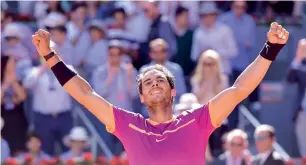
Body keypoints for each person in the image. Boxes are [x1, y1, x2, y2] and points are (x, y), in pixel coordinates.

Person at [31, 22, 289, 165]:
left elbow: (239, 89)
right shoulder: (128, 125)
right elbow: (84, 94)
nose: (154, 83)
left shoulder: (197, 121)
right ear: (141, 96)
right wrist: (49, 56)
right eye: (148, 82)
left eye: (160, 80)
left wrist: (271, 49)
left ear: (173, 90)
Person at [286, 38, 306, 158]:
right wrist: (298, 57)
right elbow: (290, 79)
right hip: (303, 111)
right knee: (303, 141)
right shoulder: (301, 65)